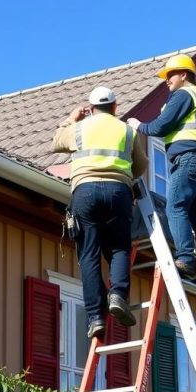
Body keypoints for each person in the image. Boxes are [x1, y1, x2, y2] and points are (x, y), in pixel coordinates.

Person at [53, 86, 148, 339]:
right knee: (119, 248)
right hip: (119, 192)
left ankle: (96, 318)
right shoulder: (126, 130)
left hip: (85, 192)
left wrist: (72, 118)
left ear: (91, 108)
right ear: (115, 107)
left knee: (89, 255)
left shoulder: (81, 128)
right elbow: (141, 166)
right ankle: (117, 295)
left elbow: (56, 141)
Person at [127, 54, 196, 290]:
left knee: (175, 207)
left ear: (183, 74)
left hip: (190, 159)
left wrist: (137, 125)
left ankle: (186, 260)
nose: (166, 80)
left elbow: (160, 126)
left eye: (170, 75)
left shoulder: (183, 94)